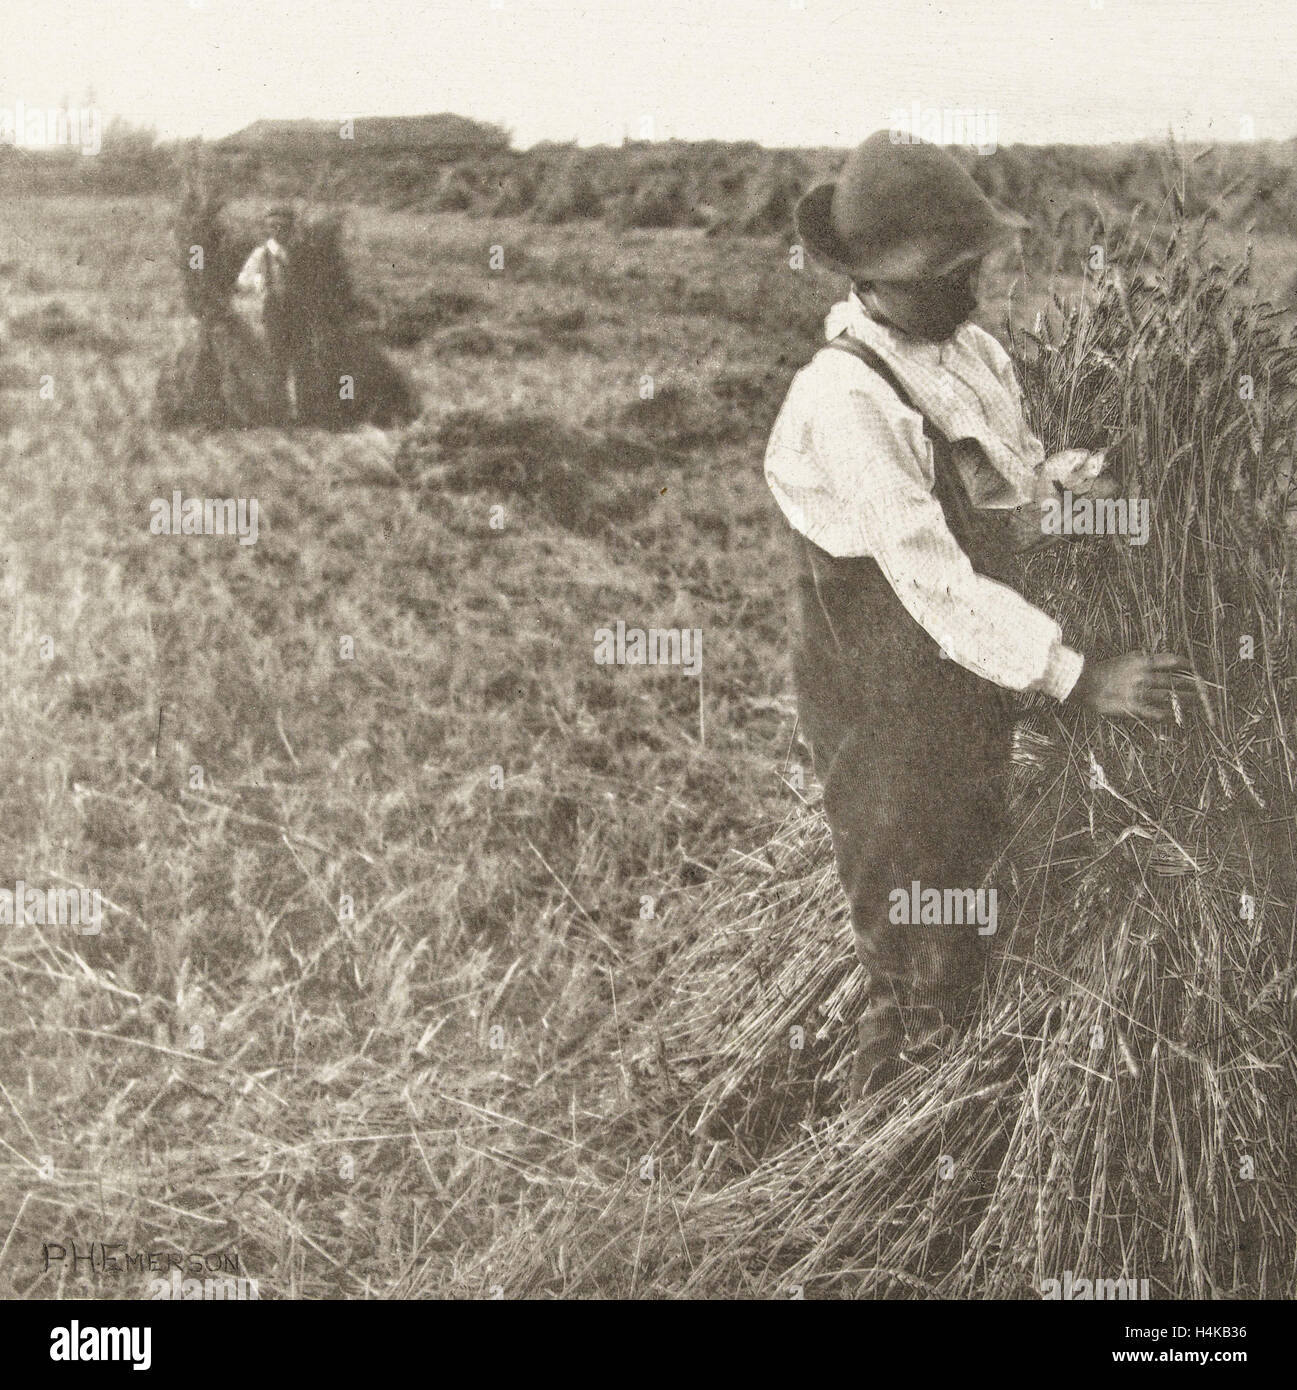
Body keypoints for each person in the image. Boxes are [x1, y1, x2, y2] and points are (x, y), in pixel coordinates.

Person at [765, 132, 1193, 1101]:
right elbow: (934, 583)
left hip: (960, 679)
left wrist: (1086, 491)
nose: (973, 287)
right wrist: (1080, 677)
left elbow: (1008, 493)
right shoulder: (842, 400)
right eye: (949, 272)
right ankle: (887, 1121)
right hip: (876, 697)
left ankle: (954, 1072)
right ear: (875, 276)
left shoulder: (972, 352)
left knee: (973, 864)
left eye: (973, 264)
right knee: (911, 914)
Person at [234, 203, 298, 422]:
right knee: (275, 358)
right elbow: (242, 281)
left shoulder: (296, 253)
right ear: (268, 229)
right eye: (274, 226)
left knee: (296, 359)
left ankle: (295, 407)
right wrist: (257, 282)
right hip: (271, 312)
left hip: (294, 311)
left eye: (283, 227)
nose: (279, 230)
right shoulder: (261, 255)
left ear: (290, 229)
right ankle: (278, 409)